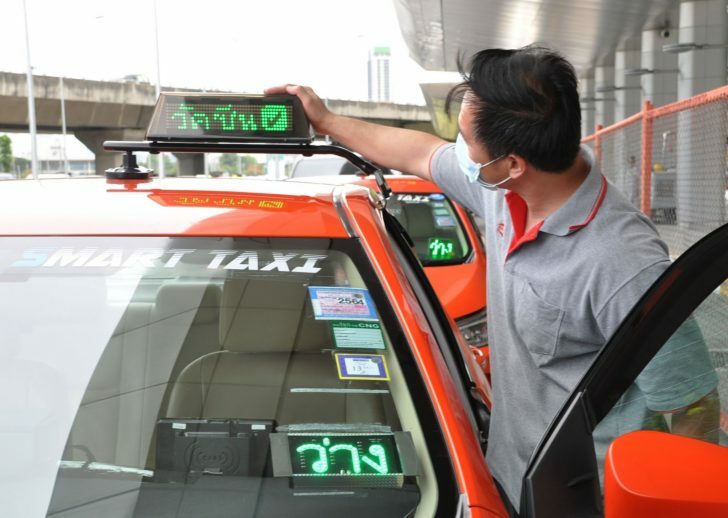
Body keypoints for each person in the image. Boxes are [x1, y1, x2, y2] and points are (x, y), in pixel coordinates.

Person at [266, 45, 715, 515]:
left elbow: (693, 405)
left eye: (466, 140)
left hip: (583, 502)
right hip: (504, 482)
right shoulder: (505, 191)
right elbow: (421, 154)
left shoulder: (623, 264)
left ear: (513, 164)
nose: (458, 150)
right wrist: (328, 121)